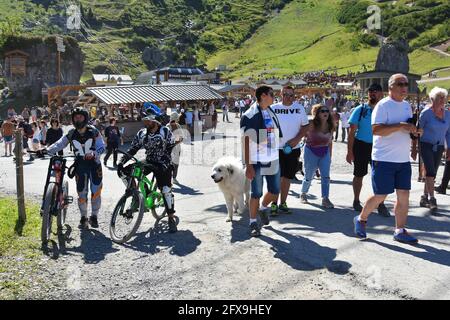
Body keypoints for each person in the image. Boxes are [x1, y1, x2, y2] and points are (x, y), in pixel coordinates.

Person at [353, 74, 421, 244]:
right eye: (400, 84)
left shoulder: (406, 106)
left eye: (406, 84)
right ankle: (361, 219)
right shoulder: (383, 106)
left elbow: (407, 129)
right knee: (380, 195)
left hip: (402, 160)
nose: (404, 87)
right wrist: (400, 126)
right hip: (383, 159)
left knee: (404, 195)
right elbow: (376, 130)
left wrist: (415, 132)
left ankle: (400, 230)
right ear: (391, 87)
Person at [118, 103, 178, 233]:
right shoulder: (142, 133)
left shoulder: (165, 131)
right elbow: (133, 148)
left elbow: (171, 147)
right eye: (144, 119)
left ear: (154, 120)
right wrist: (122, 161)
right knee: (124, 171)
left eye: (147, 120)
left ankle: (171, 218)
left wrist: (166, 162)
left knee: (166, 190)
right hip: (149, 161)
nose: (145, 122)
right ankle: (136, 195)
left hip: (164, 163)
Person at [42, 107, 105, 229]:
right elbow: (60, 143)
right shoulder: (71, 133)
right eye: (75, 117)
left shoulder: (94, 131)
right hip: (80, 166)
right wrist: (46, 150)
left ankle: (94, 216)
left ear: (85, 118)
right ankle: (83, 217)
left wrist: (94, 154)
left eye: (80, 117)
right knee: (81, 193)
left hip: (94, 166)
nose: (78, 119)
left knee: (96, 192)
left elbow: (102, 146)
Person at [241, 85, 282, 237]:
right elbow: (246, 140)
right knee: (256, 193)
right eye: (272, 94)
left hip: (273, 159)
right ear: (263, 95)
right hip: (257, 160)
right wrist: (248, 165)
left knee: (275, 191)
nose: (274, 96)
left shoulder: (270, 112)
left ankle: (263, 208)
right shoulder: (250, 114)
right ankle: (253, 223)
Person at [346, 83, 390, 216]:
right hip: (361, 145)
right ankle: (356, 200)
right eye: (370, 91)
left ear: (382, 93)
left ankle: (380, 204)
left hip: (379, 146)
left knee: (380, 176)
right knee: (358, 174)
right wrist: (349, 151)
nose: (372, 93)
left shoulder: (385, 109)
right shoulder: (360, 109)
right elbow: (352, 132)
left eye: (375, 91)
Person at [271, 86, 309, 215]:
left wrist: (296, 140)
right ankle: (274, 204)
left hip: (293, 149)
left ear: (295, 96)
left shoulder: (299, 108)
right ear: (280, 94)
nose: (288, 97)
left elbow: (305, 126)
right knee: (277, 177)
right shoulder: (274, 108)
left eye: (291, 95)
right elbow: (267, 127)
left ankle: (283, 203)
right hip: (277, 149)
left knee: (287, 177)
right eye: (285, 94)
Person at [418, 87, 450, 211]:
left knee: (432, 173)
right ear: (432, 99)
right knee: (430, 171)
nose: (442, 100)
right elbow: (418, 130)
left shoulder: (448, 114)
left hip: (440, 146)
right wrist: (415, 147)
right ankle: (432, 199)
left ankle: (424, 197)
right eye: (439, 97)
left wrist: (449, 148)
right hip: (426, 144)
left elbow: (448, 133)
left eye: (444, 97)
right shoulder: (426, 113)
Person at [300, 104, 335, 209]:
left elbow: (330, 142)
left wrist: (330, 155)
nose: (325, 113)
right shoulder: (310, 124)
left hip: (324, 152)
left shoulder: (331, 125)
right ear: (317, 113)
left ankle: (325, 198)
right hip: (310, 151)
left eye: (327, 111)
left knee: (326, 177)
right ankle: (303, 193)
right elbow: (301, 133)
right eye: (322, 111)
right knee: (308, 176)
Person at [167, 112, 184, 184]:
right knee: (169, 163)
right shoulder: (167, 127)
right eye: (177, 118)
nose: (178, 119)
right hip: (170, 148)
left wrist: (180, 139)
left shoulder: (178, 125)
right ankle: (169, 178)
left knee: (176, 163)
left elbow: (182, 136)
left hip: (177, 147)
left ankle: (174, 177)